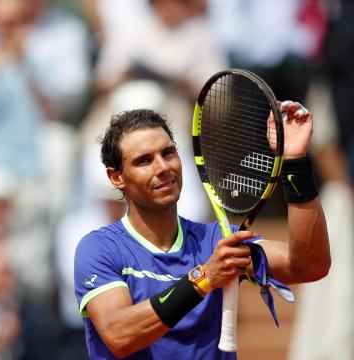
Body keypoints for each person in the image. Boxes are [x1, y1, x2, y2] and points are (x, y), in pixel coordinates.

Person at [74, 106, 330, 359]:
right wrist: (205, 277)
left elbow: (310, 265)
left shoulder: (218, 240)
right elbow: (119, 335)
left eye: (168, 153)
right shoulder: (98, 248)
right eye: (144, 160)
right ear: (116, 177)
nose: (163, 167)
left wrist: (296, 164)